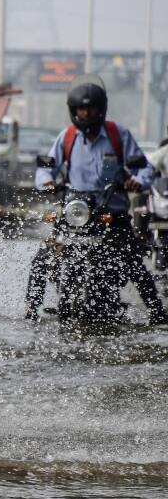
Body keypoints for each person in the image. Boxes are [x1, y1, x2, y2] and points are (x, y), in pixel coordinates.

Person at [25, 74, 168, 326]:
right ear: (73, 111)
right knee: (41, 260)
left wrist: (139, 181)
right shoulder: (67, 137)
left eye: (91, 108)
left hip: (112, 214)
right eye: (81, 109)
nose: (86, 114)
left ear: (101, 109)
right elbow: (47, 168)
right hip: (75, 214)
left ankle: (157, 313)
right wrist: (46, 182)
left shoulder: (117, 135)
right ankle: (30, 312)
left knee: (133, 262)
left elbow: (143, 168)